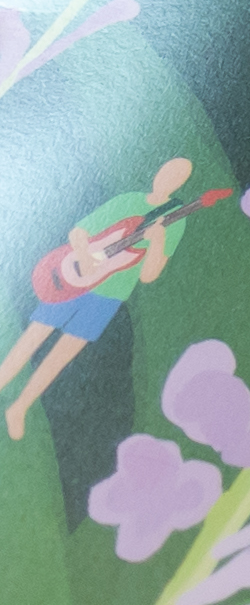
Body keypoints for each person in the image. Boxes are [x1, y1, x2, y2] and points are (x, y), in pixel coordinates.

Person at [3, 156, 195, 440]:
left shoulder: (175, 221)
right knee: (32, 338)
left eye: (178, 175)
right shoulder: (129, 200)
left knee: (61, 356)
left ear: (182, 183)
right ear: (159, 170)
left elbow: (148, 275)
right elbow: (79, 231)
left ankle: (19, 407)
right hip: (72, 279)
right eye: (168, 170)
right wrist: (83, 257)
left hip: (108, 297)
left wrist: (157, 241)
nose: (169, 177)